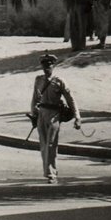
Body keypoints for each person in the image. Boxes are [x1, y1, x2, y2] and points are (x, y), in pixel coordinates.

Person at [28, 54, 82, 184]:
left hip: (54, 115)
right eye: (44, 66)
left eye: (49, 65)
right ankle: (48, 171)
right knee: (43, 143)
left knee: (51, 144)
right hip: (41, 114)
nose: (47, 68)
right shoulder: (38, 80)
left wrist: (77, 117)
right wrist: (33, 114)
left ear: (53, 66)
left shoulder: (59, 81)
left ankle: (51, 173)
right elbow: (34, 98)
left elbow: (70, 99)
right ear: (41, 66)